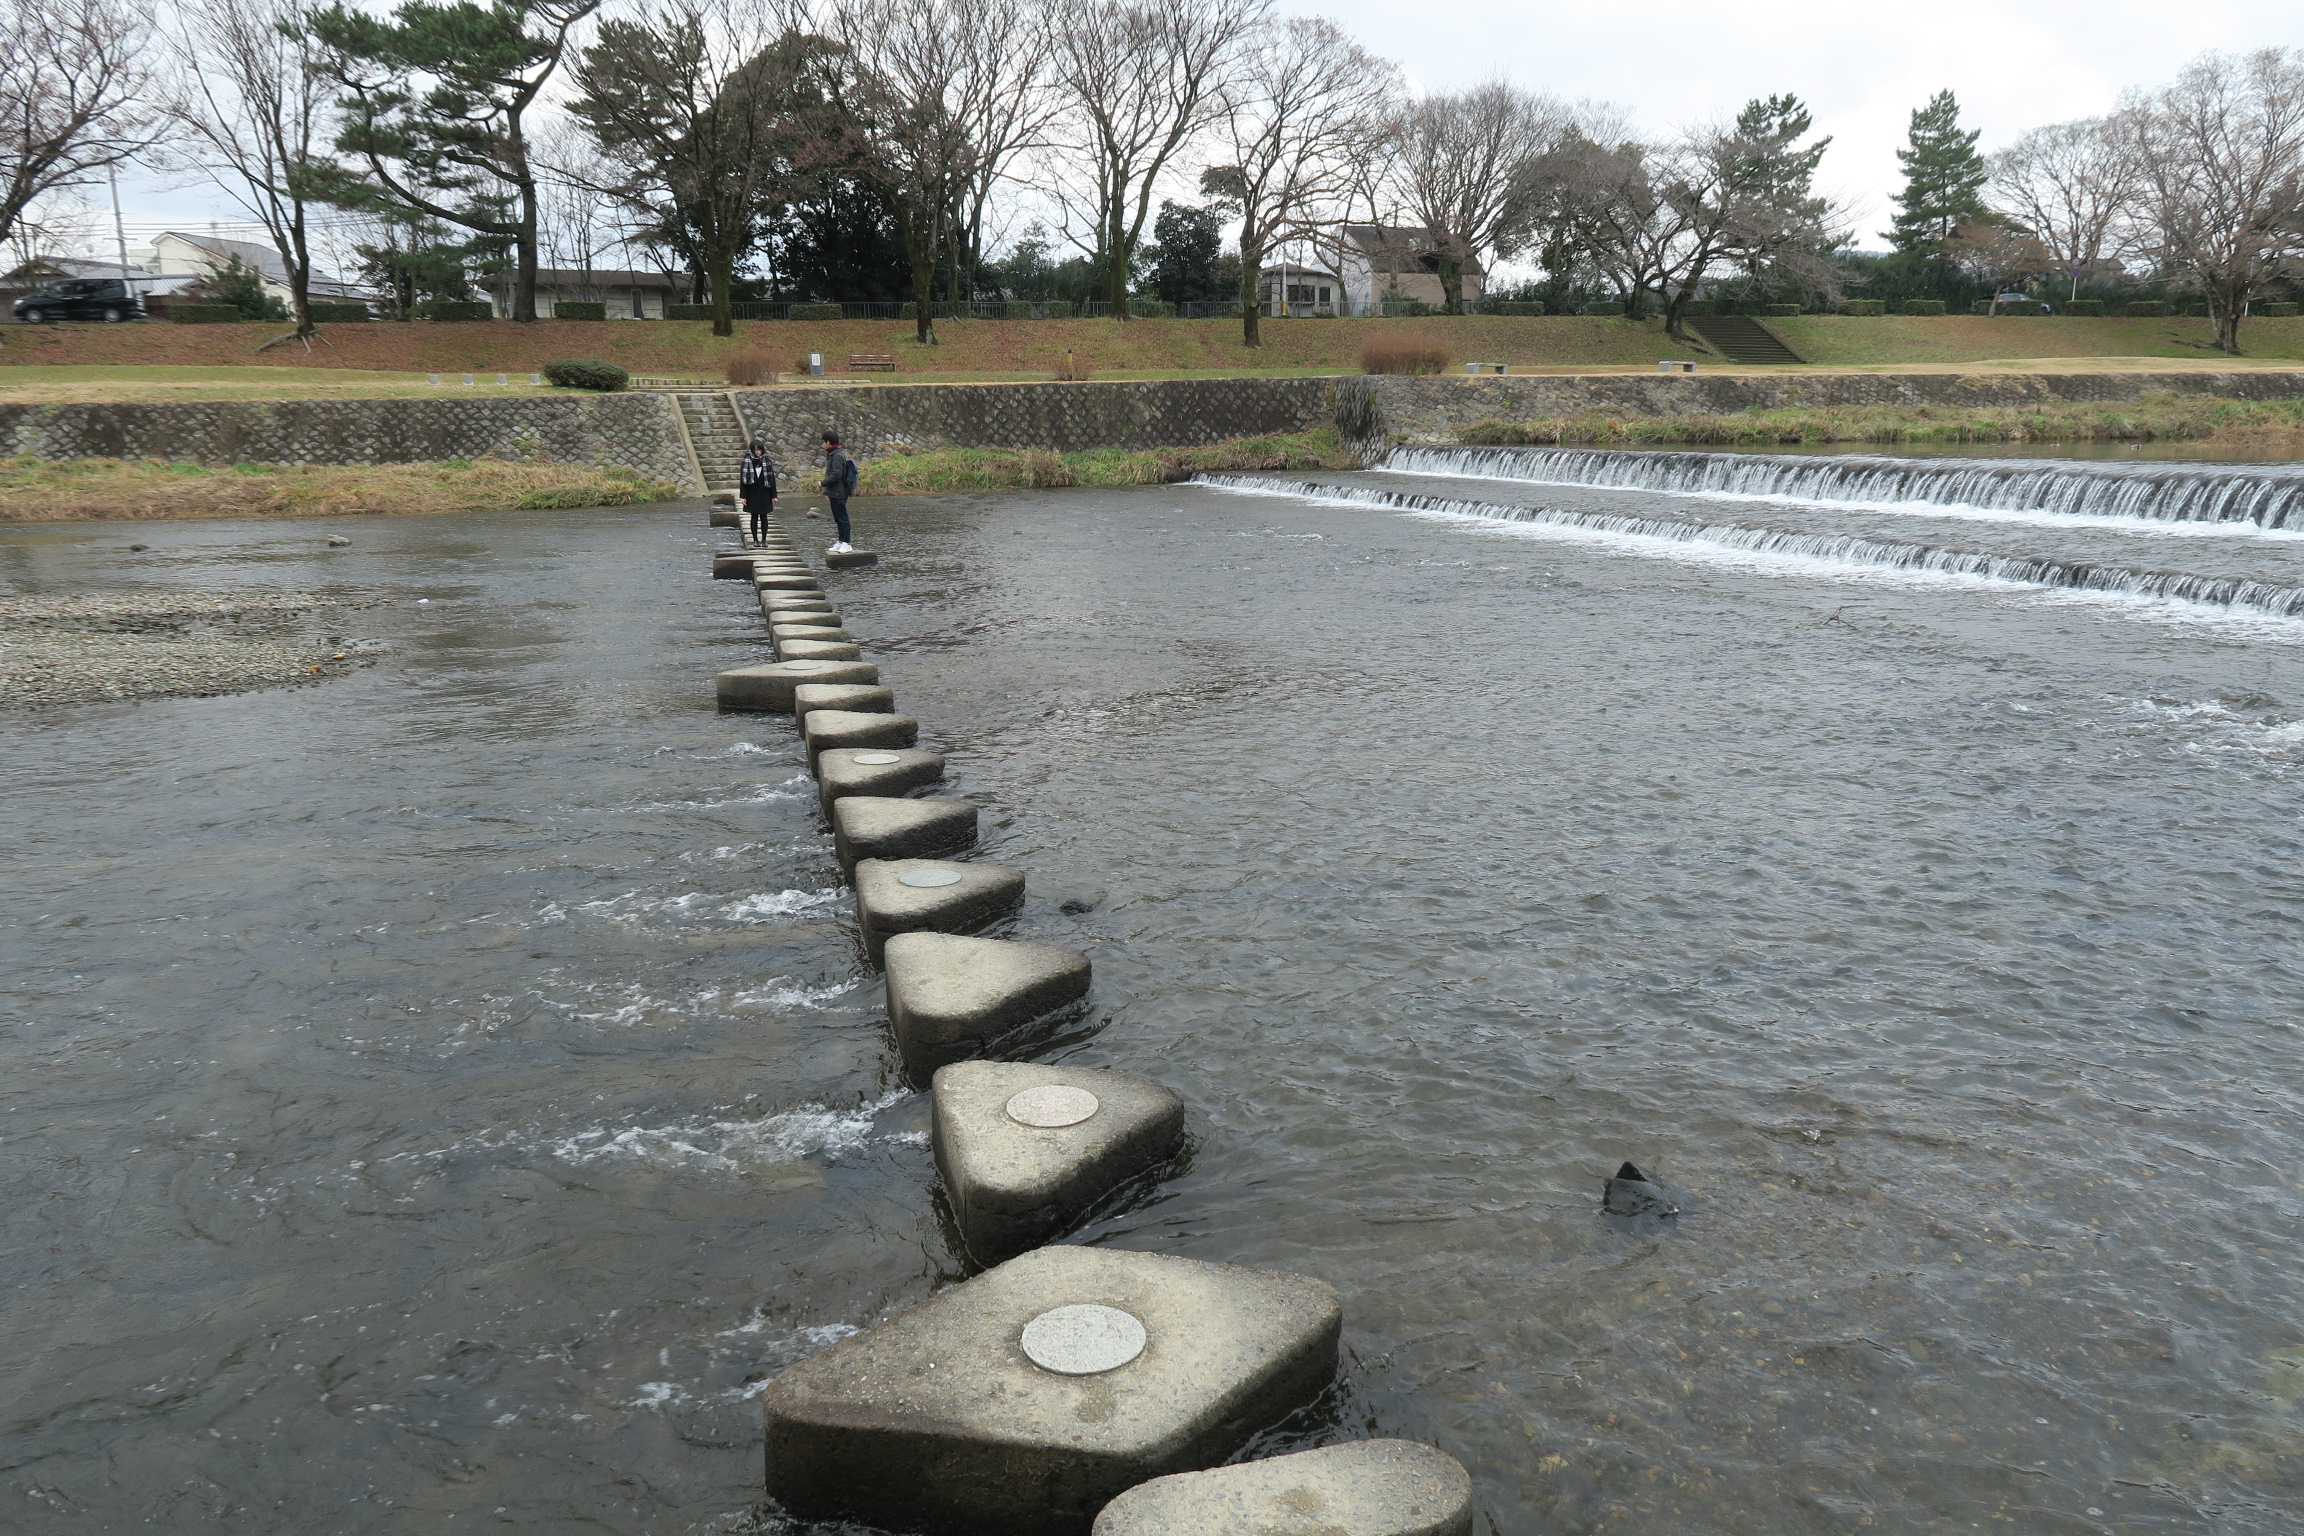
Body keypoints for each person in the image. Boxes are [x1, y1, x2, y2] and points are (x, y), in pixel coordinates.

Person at [820, 431, 859, 552]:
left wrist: (823, 483)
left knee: (842, 518)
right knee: (837, 517)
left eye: (824, 442)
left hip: (839, 492)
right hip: (834, 492)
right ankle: (841, 541)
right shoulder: (834, 454)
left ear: (828, 442)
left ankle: (847, 543)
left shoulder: (837, 455)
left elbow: (836, 474)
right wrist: (828, 492)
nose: (823, 445)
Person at [738, 437, 777, 542]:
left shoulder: (767, 461)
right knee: (754, 517)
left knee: (764, 517)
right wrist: (743, 496)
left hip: (765, 493)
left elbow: (772, 478)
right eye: (756, 450)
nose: (758, 452)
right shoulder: (746, 461)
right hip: (752, 494)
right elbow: (742, 480)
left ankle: (764, 539)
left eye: (760, 450)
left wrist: (774, 495)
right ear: (752, 450)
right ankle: (755, 539)